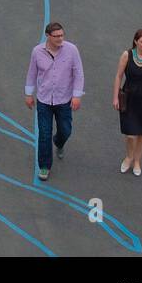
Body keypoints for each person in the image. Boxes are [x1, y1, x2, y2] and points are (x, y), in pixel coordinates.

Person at [24, 22, 84, 182]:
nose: (60, 39)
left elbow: (79, 73)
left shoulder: (71, 50)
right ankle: (44, 166)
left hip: (64, 100)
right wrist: (28, 94)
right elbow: (31, 73)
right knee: (44, 134)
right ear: (48, 36)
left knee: (66, 130)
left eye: (62, 35)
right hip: (44, 100)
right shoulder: (37, 52)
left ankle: (59, 142)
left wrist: (77, 95)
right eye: (56, 36)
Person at [113, 29, 142, 177]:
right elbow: (118, 76)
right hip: (129, 98)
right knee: (130, 135)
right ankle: (129, 156)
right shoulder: (127, 55)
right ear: (135, 41)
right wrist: (115, 97)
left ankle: (137, 160)